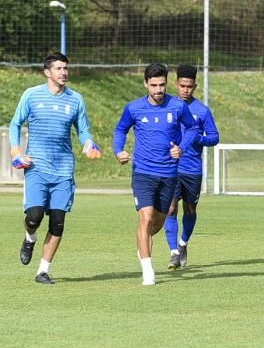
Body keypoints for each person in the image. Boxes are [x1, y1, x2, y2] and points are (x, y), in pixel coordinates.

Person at [8, 52, 102, 284]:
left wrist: (88, 143)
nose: (64, 72)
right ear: (47, 72)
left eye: (66, 68)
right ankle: (30, 238)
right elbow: (15, 123)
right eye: (59, 68)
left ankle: (43, 270)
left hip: (63, 170)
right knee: (34, 216)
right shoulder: (31, 95)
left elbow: (83, 130)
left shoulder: (75, 99)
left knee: (58, 221)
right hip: (37, 166)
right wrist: (16, 151)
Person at [114, 63, 198, 286]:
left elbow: (192, 129)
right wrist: (119, 150)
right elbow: (120, 129)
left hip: (169, 173)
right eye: (153, 85)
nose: (158, 90)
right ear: (145, 84)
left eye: (161, 85)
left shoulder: (178, 106)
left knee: (159, 221)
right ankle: (148, 271)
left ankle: (142, 247)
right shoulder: (134, 108)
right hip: (142, 172)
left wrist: (182, 147)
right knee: (146, 217)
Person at [164, 64, 219, 270]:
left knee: (189, 209)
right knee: (170, 208)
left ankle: (183, 243)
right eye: (182, 85)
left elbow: (214, 137)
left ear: (195, 86)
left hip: (192, 169)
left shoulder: (202, 111)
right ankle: (174, 253)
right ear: (176, 84)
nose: (185, 89)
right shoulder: (167, 106)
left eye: (189, 86)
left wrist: (198, 139)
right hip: (170, 168)